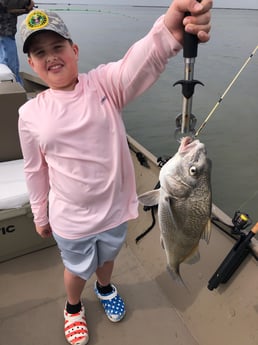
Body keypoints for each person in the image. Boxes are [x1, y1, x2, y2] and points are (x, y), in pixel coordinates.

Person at [18, 1, 212, 344]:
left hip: (114, 212)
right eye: (39, 52)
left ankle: (105, 287)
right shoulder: (30, 113)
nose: (51, 56)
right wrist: (39, 212)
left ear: (75, 50)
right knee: (77, 270)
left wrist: (170, 31)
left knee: (107, 259)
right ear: (30, 63)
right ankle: (74, 306)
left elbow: (139, 61)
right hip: (70, 219)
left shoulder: (104, 86)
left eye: (57, 46)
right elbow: (35, 169)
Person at [0, 0, 34, 83]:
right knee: (10, 69)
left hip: (5, 35)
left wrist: (26, 7)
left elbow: (7, 7)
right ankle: (17, 92)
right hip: (5, 35)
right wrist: (28, 3)